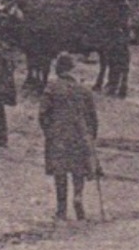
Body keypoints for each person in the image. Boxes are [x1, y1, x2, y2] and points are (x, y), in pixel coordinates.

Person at [38, 54, 98, 222]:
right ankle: (78, 197)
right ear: (72, 69)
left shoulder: (51, 88)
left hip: (58, 136)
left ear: (58, 69)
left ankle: (61, 209)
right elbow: (92, 118)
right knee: (78, 169)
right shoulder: (84, 90)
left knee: (60, 172)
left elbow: (43, 114)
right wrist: (91, 137)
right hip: (79, 135)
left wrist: (48, 131)